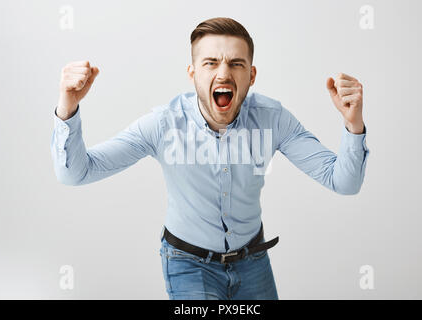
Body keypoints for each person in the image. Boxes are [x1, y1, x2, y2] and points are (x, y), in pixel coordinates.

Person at [50, 17, 370, 300]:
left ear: (252, 75)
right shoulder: (163, 124)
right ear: (192, 73)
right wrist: (68, 106)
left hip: (252, 261)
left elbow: (343, 182)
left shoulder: (274, 119)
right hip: (188, 264)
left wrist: (352, 123)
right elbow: (77, 173)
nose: (224, 72)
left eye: (236, 63)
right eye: (210, 63)